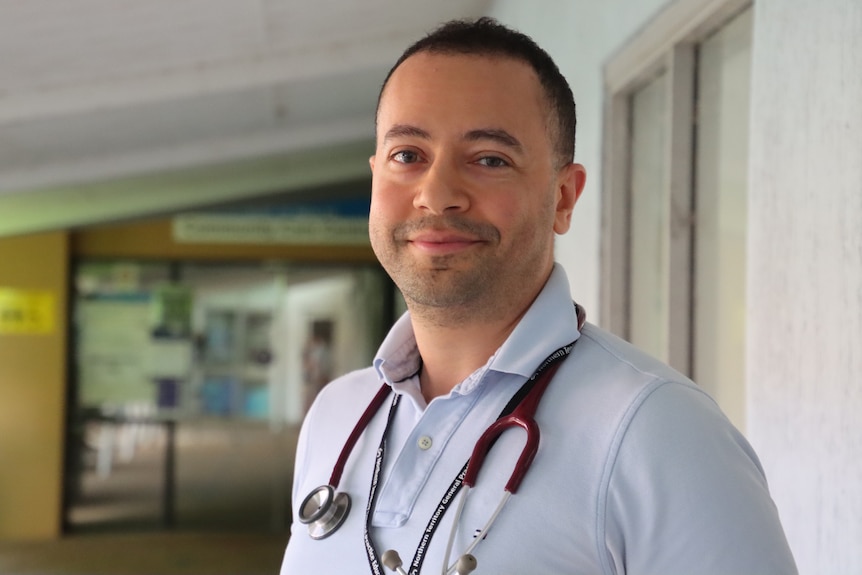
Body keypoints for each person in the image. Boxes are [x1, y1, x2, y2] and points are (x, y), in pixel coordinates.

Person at [280, 17, 797, 575]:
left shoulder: (659, 432)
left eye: (490, 159)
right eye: (408, 155)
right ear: (376, 176)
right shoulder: (338, 416)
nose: (437, 194)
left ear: (564, 198)